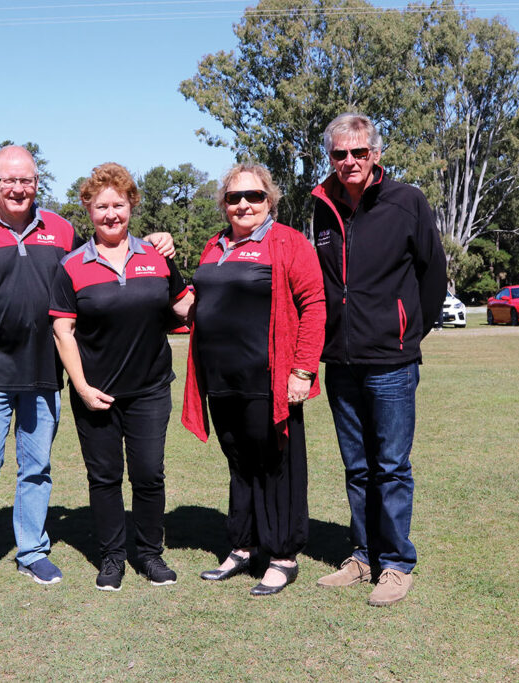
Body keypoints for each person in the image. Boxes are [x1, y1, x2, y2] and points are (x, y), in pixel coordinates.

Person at [0, 146, 173, 598]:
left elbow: (105, 255)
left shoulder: (60, 231)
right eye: (10, 180)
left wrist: (158, 241)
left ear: (37, 182)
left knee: (37, 469)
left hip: (45, 374)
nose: (19, 189)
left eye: (27, 181)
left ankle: (32, 552)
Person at [311, 113, 446, 606]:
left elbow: (433, 277)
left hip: (391, 360)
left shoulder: (407, 201)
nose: (348, 161)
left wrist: (406, 331)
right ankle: (363, 554)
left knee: (390, 465)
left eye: (358, 152)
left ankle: (395, 564)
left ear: (375, 154)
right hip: (340, 361)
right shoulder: (322, 207)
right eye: (339, 154)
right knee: (357, 466)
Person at [182, 164, 325, 597]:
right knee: (239, 463)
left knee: (275, 464)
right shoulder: (214, 245)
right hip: (220, 377)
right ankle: (243, 545)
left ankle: (282, 556)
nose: (243, 204)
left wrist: (302, 370)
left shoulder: (287, 243)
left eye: (254, 196)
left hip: (269, 377)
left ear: (270, 201)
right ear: (224, 203)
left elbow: (314, 304)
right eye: (234, 197)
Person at [50, 163, 194, 592]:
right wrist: (81, 387)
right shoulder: (72, 265)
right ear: (88, 211)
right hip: (95, 393)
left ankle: (149, 554)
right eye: (101, 207)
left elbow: (186, 305)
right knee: (105, 478)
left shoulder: (157, 256)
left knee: (149, 474)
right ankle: (112, 557)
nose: (111, 214)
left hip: (150, 390)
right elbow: (63, 330)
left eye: (118, 204)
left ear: (132, 205)